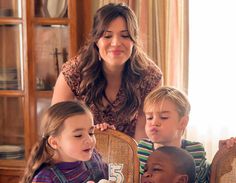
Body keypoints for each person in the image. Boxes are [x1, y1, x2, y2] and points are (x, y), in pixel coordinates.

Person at [51, 3, 163, 141]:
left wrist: (131, 158)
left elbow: (145, 131)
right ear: (96, 40)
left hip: (130, 152)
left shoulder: (150, 76)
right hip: (82, 149)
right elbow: (55, 124)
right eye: (107, 36)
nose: (116, 43)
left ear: (134, 40)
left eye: (125, 35)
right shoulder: (74, 70)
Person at [137, 86, 236, 182]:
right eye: (149, 117)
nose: (154, 122)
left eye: (163, 117)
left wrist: (221, 155)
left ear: (183, 122)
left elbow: (209, 179)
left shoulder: (195, 150)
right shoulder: (141, 148)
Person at [20, 101, 108, 183]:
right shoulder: (45, 178)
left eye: (91, 133)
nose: (89, 140)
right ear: (54, 142)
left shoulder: (95, 159)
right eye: (78, 135)